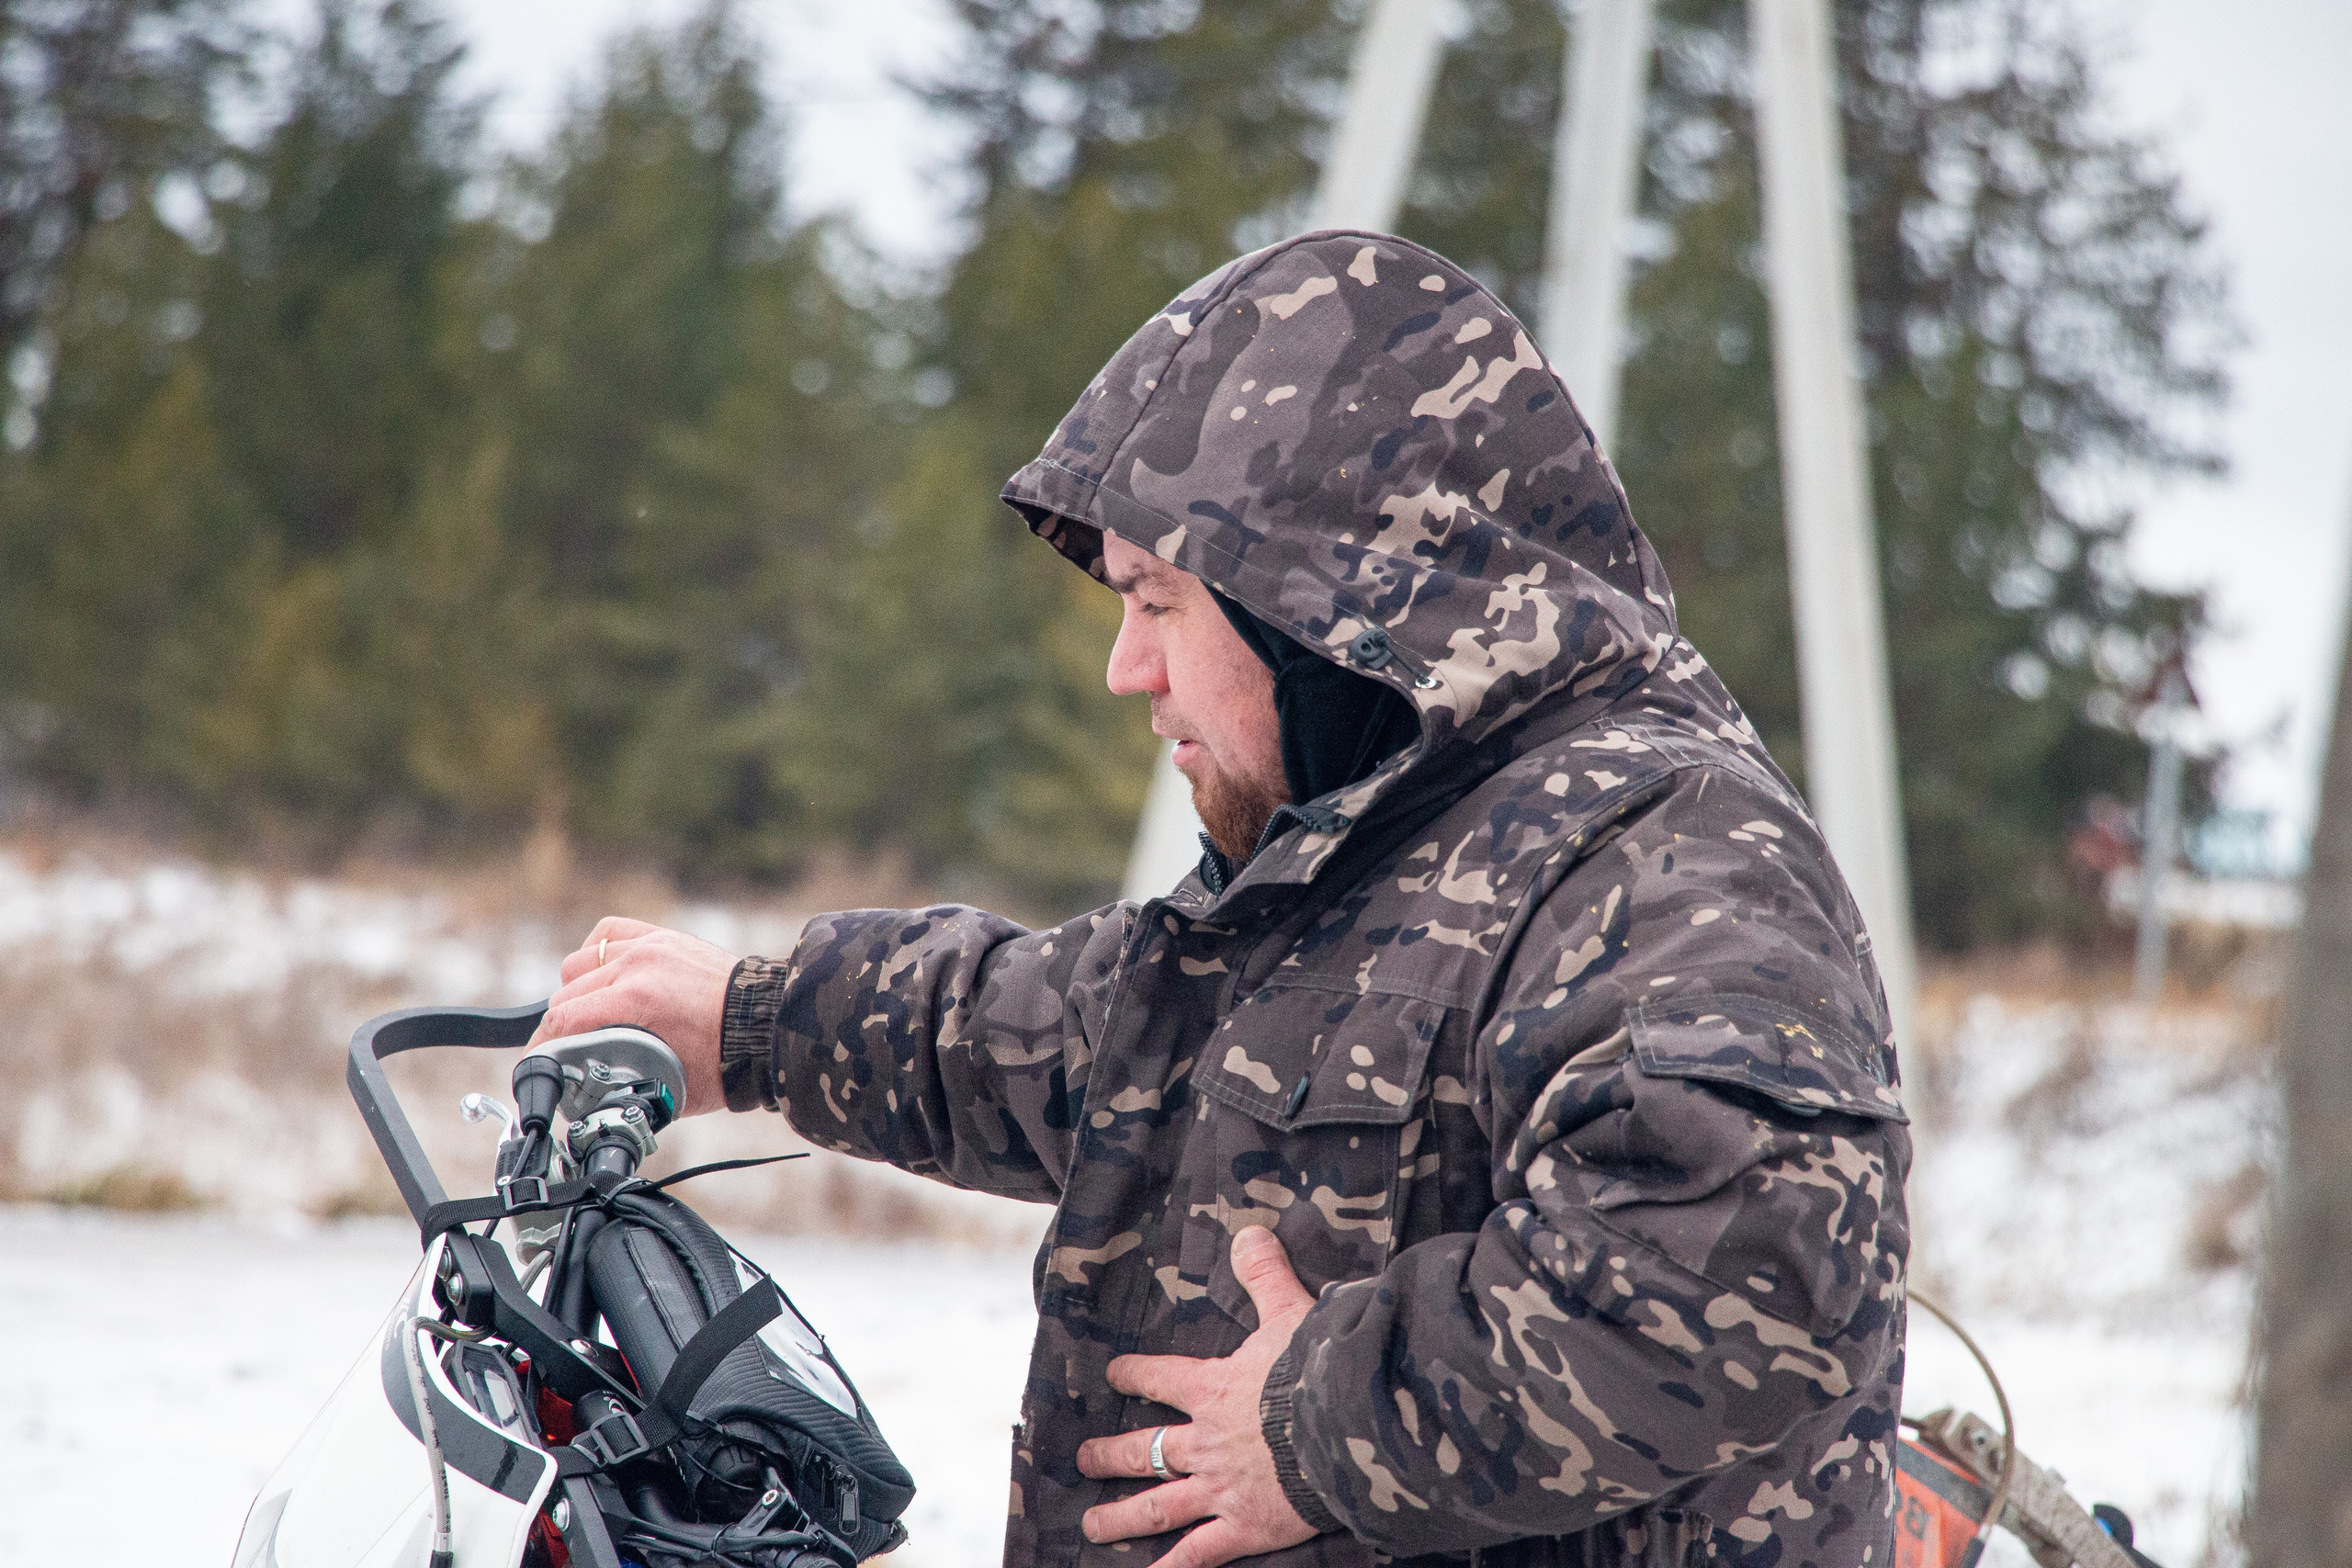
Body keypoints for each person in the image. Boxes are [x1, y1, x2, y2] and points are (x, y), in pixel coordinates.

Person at [532, 230, 1911, 1568]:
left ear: (1337, 601)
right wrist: (760, 1022)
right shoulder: (1368, 844)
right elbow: (1083, 1036)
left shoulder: (1666, 852)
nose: (1126, 670)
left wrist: (1322, 1433)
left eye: (1161, 602)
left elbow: (1734, 1281)